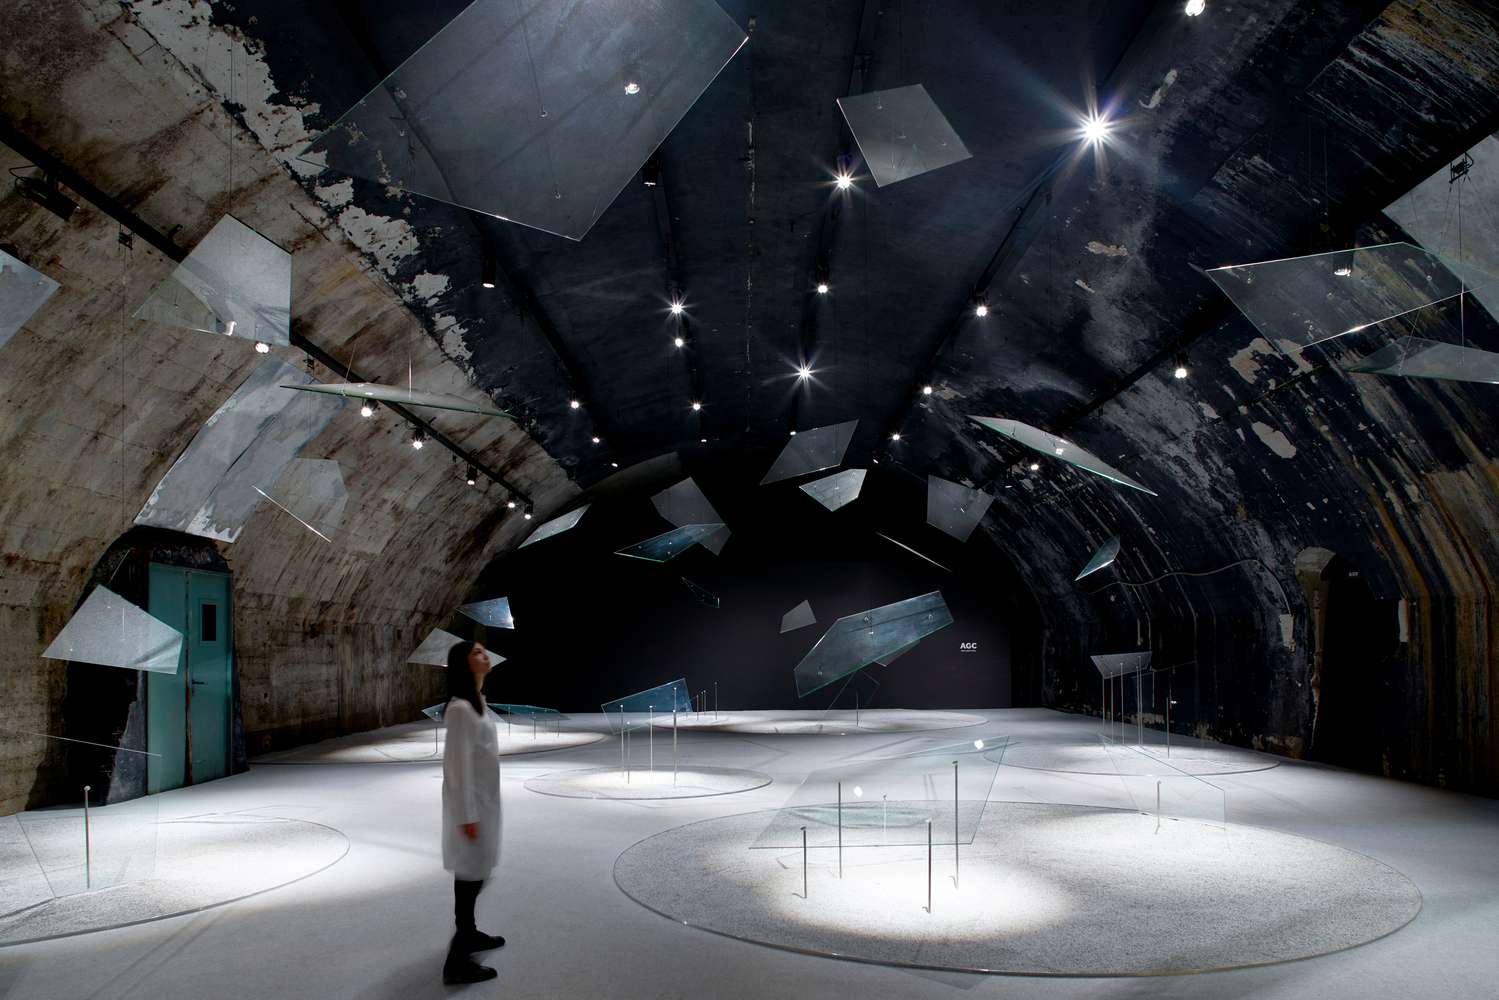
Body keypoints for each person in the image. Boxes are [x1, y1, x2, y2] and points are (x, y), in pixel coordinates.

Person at [441, 640, 504, 985]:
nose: (485, 655)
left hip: (485, 802)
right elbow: (456, 767)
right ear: (463, 664)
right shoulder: (460, 709)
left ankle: (470, 932)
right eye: (476, 652)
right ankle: (457, 958)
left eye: (484, 650)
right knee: (470, 875)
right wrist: (466, 816)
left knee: (477, 871)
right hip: (472, 807)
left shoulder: (477, 702)